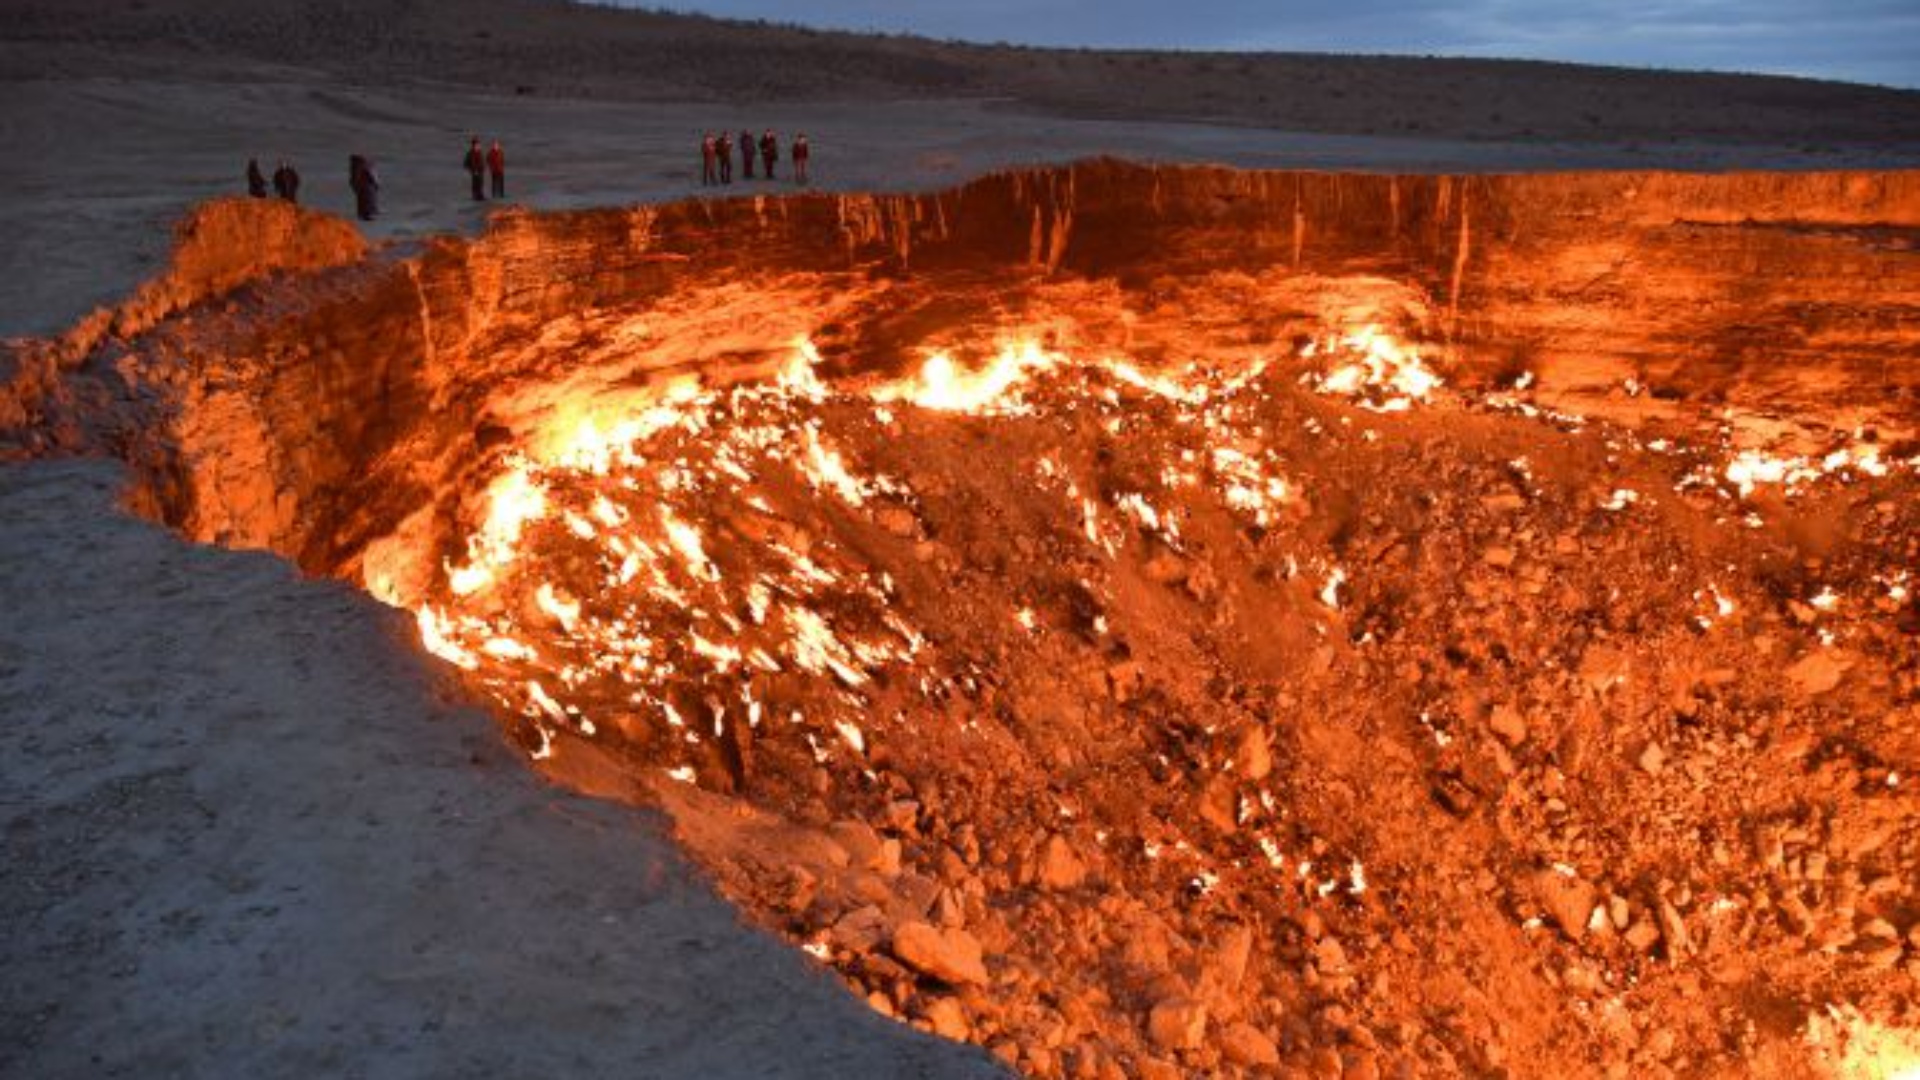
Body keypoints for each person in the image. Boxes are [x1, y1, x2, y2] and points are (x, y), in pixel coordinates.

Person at [349, 155, 380, 221]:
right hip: (364, 182)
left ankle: (368, 211)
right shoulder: (363, 166)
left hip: (363, 180)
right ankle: (367, 212)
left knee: (366, 196)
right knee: (366, 195)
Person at [464, 137, 486, 201]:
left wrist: (484, 167)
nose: (478, 145)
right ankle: (475, 196)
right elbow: (466, 163)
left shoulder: (480, 152)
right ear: (473, 145)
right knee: (475, 184)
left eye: (478, 144)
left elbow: (482, 161)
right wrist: (472, 170)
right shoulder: (470, 153)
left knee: (481, 183)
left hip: (481, 171)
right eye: (476, 144)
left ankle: (480, 196)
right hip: (475, 171)